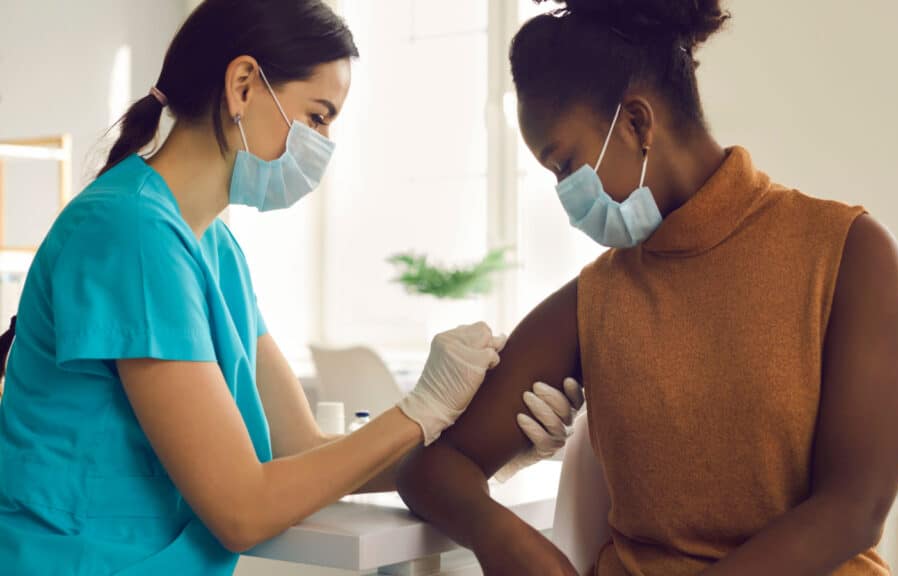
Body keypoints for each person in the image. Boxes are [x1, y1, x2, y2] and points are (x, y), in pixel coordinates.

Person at [0, 1, 583, 574]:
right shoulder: (130, 232)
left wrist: (485, 448)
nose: (325, 144)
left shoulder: (214, 249)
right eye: (318, 116)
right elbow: (242, 510)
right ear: (244, 86)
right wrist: (418, 411)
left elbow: (296, 447)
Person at [395, 1, 898, 575]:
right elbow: (434, 469)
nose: (566, 195)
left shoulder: (849, 253)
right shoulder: (598, 297)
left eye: (566, 165)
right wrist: (505, 539)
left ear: (637, 124)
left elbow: (854, 510)